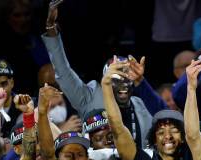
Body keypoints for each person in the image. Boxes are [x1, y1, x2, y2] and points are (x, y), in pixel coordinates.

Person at [42, 1, 166, 149]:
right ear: (104, 81)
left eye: (127, 78)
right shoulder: (89, 97)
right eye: (116, 78)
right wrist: (51, 29)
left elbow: (165, 116)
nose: (123, 84)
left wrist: (141, 81)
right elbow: (63, 70)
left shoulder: (140, 104)